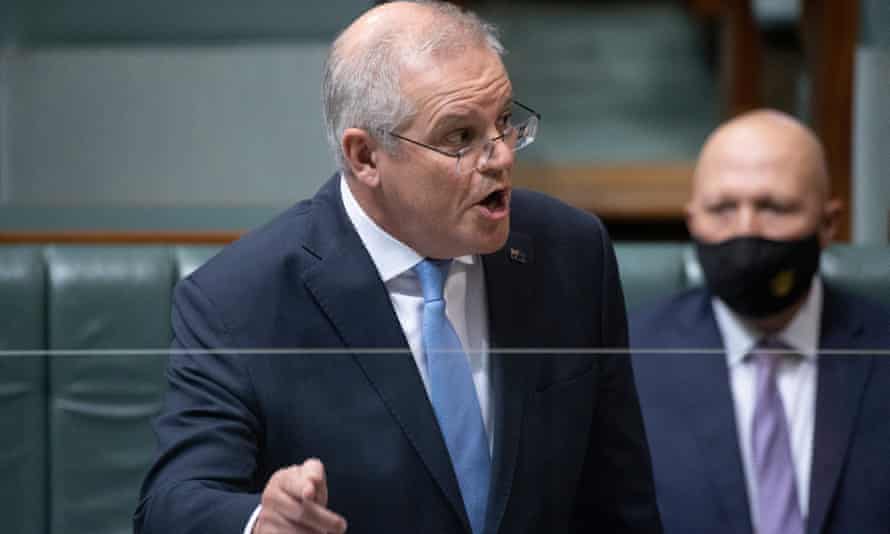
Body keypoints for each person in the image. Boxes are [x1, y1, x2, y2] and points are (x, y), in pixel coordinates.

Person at [134, 2, 662, 533]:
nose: (499, 156)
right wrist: (258, 522)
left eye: (503, 121)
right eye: (460, 137)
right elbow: (170, 504)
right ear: (365, 157)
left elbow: (620, 502)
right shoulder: (238, 298)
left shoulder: (570, 252)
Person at [631, 109, 890, 534]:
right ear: (692, 220)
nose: (745, 230)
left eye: (774, 207)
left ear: (828, 223)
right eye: (722, 209)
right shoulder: (628, 362)